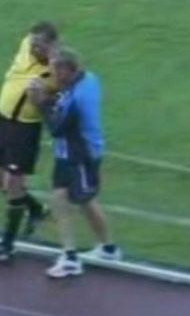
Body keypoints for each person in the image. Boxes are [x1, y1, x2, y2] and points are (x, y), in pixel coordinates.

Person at [27, 48, 122, 278]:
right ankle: (107, 249)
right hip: (80, 151)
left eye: (56, 71)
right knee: (74, 199)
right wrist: (51, 96)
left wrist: (41, 101)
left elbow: (57, 127)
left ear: (67, 71)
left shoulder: (75, 100)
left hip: (77, 155)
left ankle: (71, 259)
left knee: (73, 200)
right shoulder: (90, 80)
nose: (53, 75)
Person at [0, 21, 58, 264]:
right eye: (33, 43)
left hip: (25, 130)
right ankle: (36, 210)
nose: (34, 48)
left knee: (13, 184)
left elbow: (56, 107)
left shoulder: (55, 74)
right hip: (3, 121)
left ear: (51, 46)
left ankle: (7, 246)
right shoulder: (26, 45)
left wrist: (42, 97)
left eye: (40, 45)